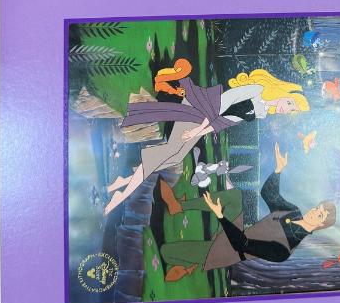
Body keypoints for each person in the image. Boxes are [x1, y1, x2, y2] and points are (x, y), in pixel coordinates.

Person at [103, 70, 308, 214]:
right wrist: (199, 128)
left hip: (203, 122)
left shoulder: (261, 111)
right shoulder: (256, 89)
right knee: (170, 153)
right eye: (290, 103)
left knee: (174, 156)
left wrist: (201, 131)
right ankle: (121, 195)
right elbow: (223, 103)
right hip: (200, 108)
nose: (286, 109)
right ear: (283, 92)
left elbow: (226, 120)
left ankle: (123, 182)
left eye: (292, 109)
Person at [157, 142, 336, 282]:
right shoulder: (293, 211)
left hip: (228, 250)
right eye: (317, 208)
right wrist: (278, 170)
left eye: (319, 215)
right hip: (235, 230)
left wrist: (220, 216)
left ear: (320, 225)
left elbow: (242, 244)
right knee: (236, 196)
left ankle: (188, 267)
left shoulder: (285, 250)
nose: (314, 212)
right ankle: (178, 207)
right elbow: (269, 194)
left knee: (165, 252)